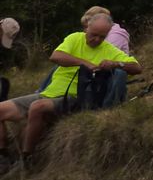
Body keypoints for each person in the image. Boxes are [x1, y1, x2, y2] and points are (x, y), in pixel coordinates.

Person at [0, 14, 141, 168]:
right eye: (94, 35)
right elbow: (56, 56)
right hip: (48, 93)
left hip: (74, 97)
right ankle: (3, 156)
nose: (97, 40)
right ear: (87, 28)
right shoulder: (74, 39)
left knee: (37, 107)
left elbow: (137, 68)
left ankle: (26, 158)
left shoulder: (109, 50)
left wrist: (116, 64)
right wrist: (85, 64)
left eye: (102, 36)